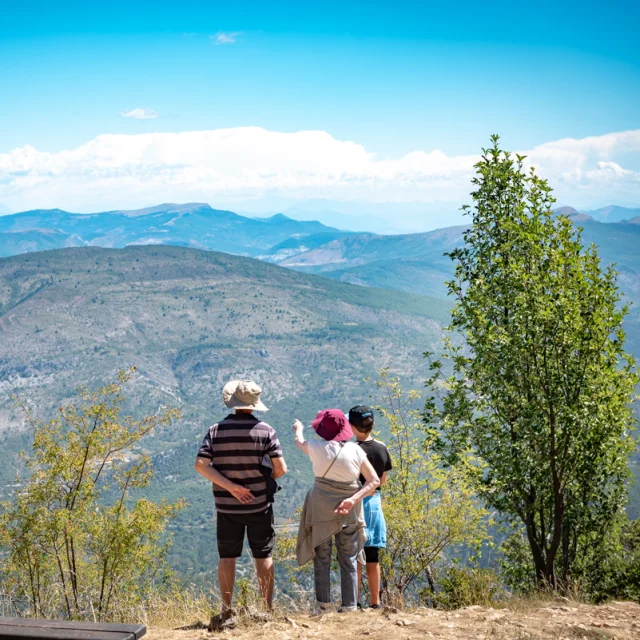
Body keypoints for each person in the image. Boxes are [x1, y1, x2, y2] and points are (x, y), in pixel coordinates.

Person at [194, 379, 287, 620]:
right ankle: (267, 610)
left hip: (226, 505)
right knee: (263, 555)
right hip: (259, 505)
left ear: (233, 403)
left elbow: (201, 465)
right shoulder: (266, 431)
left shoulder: (215, 431)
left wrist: (232, 487)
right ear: (255, 405)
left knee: (227, 557)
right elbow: (281, 469)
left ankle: (226, 610)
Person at [294, 409, 380, 613]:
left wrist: (298, 429)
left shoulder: (315, 446)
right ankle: (350, 606)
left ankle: (322, 606)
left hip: (321, 510)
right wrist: (352, 500)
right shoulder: (356, 451)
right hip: (348, 512)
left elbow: (299, 442)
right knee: (349, 558)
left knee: (321, 557)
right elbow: (374, 481)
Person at [349, 405, 393, 610]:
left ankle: (354, 601)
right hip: (375, 505)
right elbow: (382, 480)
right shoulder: (381, 447)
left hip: (355, 505)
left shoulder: (350, 450)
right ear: (372, 424)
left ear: (351, 426)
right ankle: (375, 602)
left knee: (355, 556)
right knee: (372, 556)